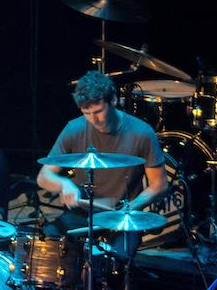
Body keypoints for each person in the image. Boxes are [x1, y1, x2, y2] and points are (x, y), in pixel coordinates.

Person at [36, 70, 168, 251]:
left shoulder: (142, 132)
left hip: (122, 215)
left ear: (113, 100)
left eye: (98, 111)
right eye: (87, 113)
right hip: (83, 213)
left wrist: (129, 209)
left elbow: (159, 185)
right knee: (47, 245)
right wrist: (64, 184)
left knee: (117, 259)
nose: (94, 119)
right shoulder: (74, 128)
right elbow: (43, 177)